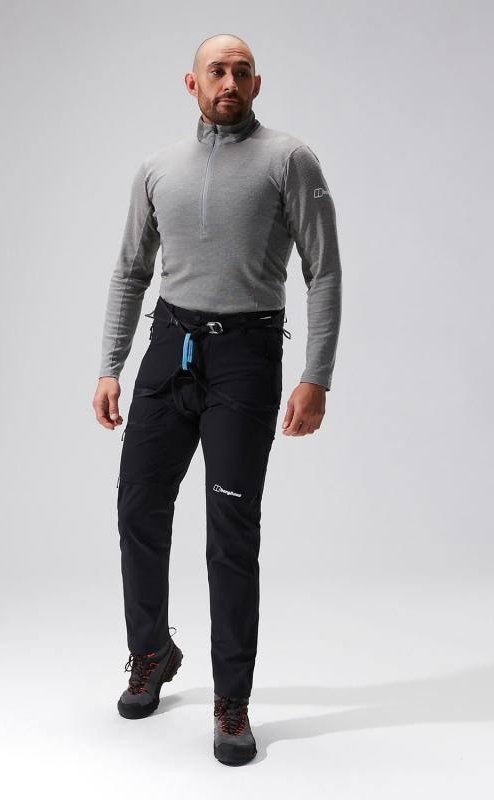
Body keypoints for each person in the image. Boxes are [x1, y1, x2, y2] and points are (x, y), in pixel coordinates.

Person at [92, 33, 342, 766]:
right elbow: (130, 270)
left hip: (246, 357)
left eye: (241, 72)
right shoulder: (157, 168)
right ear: (192, 83)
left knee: (231, 532)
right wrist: (109, 365)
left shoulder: (290, 160)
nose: (228, 81)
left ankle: (232, 700)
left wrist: (316, 375)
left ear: (256, 84)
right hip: (169, 346)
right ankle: (151, 651)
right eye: (216, 71)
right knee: (137, 507)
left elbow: (324, 271)